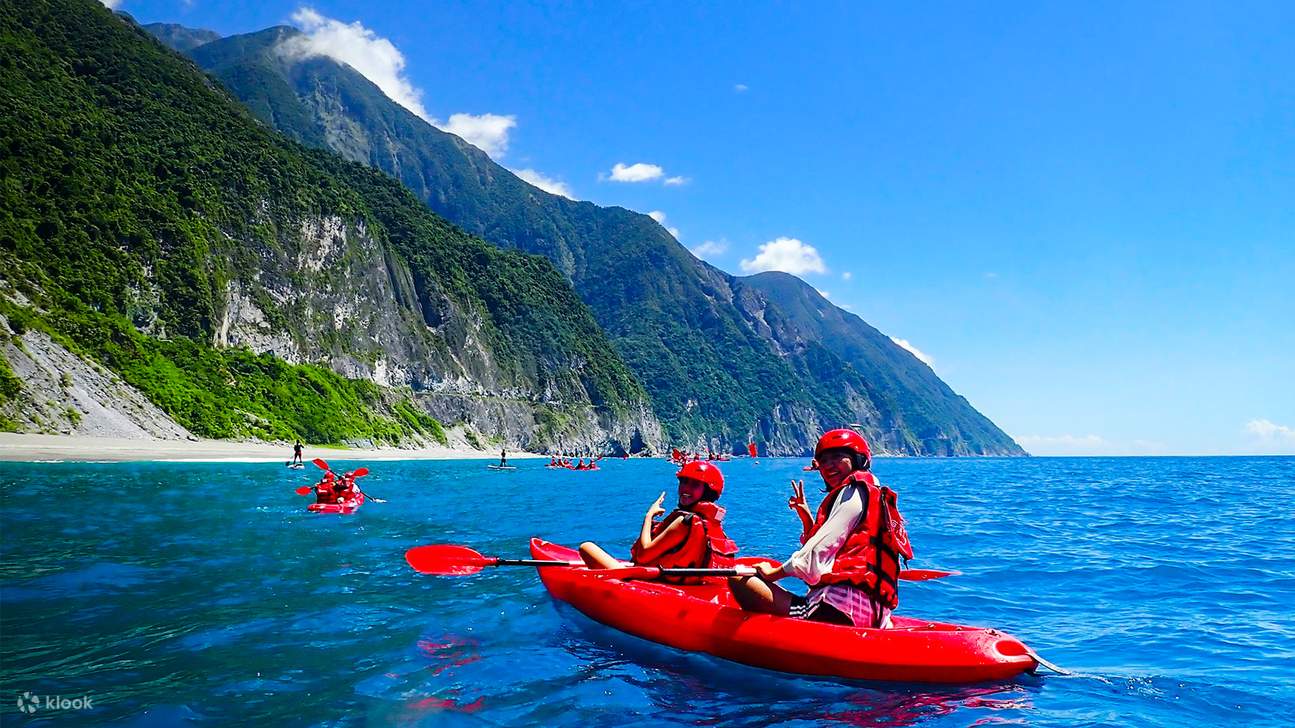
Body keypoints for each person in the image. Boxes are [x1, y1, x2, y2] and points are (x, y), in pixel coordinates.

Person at [727, 429, 912, 628]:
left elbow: (813, 556)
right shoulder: (873, 493)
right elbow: (835, 549)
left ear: (858, 459)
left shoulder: (854, 490)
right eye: (823, 461)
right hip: (877, 616)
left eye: (837, 457)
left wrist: (773, 573)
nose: (828, 465)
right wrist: (807, 518)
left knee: (737, 577)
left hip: (838, 610)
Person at [579, 461, 738, 581]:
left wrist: (649, 516)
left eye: (695, 484)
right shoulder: (709, 521)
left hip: (658, 580)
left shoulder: (685, 521)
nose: (685, 489)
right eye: (683, 482)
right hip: (686, 579)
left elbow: (643, 555)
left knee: (586, 547)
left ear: (707, 491)